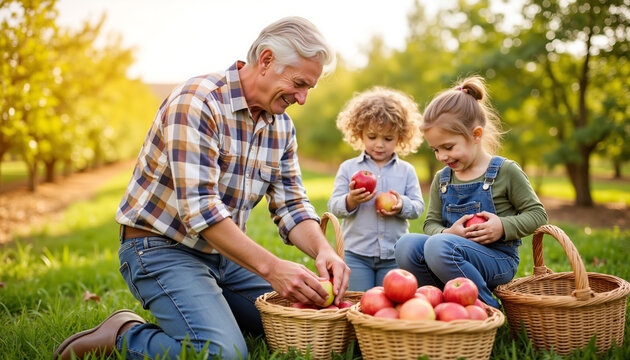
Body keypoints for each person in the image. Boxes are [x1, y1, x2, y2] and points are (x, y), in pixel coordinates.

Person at [54, 16, 350, 360]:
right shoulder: (197, 103)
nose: (302, 98)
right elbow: (201, 212)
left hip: (224, 255)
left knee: (306, 332)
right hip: (161, 248)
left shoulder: (280, 127)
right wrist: (272, 268)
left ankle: (212, 311)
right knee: (222, 354)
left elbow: (292, 205)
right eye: (299, 83)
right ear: (266, 60)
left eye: (308, 89)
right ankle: (123, 335)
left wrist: (322, 251)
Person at [394, 76, 547, 308]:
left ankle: (486, 308)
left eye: (448, 147)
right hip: (447, 254)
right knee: (406, 244)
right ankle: (437, 305)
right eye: (435, 149)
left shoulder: (506, 171)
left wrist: (502, 227)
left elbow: (537, 215)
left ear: (476, 135)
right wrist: (448, 232)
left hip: (497, 259)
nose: (442, 157)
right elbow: (431, 224)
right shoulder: (442, 179)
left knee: (437, 246)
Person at [327, 87, 424, 291]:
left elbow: (417, 207)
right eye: (372, 137)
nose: (379, 145)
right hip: (356, 254)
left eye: (388, 139)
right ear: (359, 132)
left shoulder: (406, 171)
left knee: (388, 304)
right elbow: (334, 207)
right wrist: (351, 200)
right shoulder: (349, 168)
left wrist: (401, 205)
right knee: (357, 302)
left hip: (394, 255)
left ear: (401, 137)